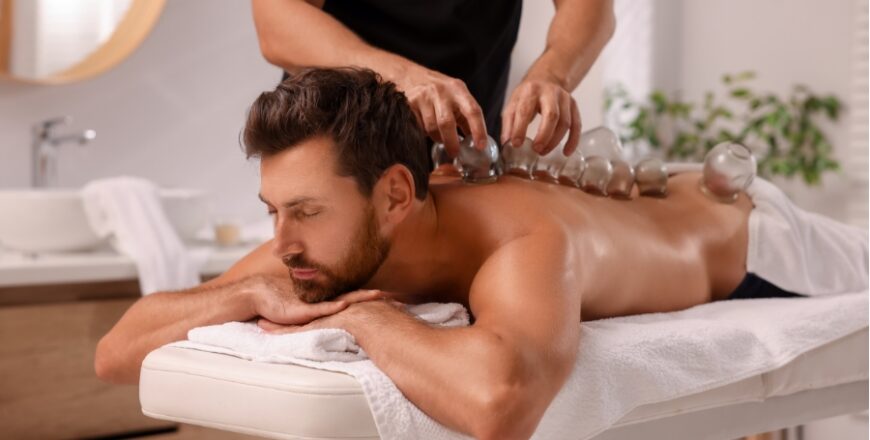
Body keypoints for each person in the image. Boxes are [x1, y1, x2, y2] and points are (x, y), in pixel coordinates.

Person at [95, 68, 868, 439]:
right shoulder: (323, 242)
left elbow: (501, 404)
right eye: (273, 211)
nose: (281, 242)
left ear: (395, 195)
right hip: (638, 192)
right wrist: (242, 294)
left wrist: (367, 321)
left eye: (304, 211)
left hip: (755, 237)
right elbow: (116, 352)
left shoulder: (522, 240)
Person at [251, 0, 616, 158]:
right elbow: (276, 22)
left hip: (462, 154)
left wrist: (552, 74)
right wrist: (401, 76)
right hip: (334, 155)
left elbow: (592, 10)